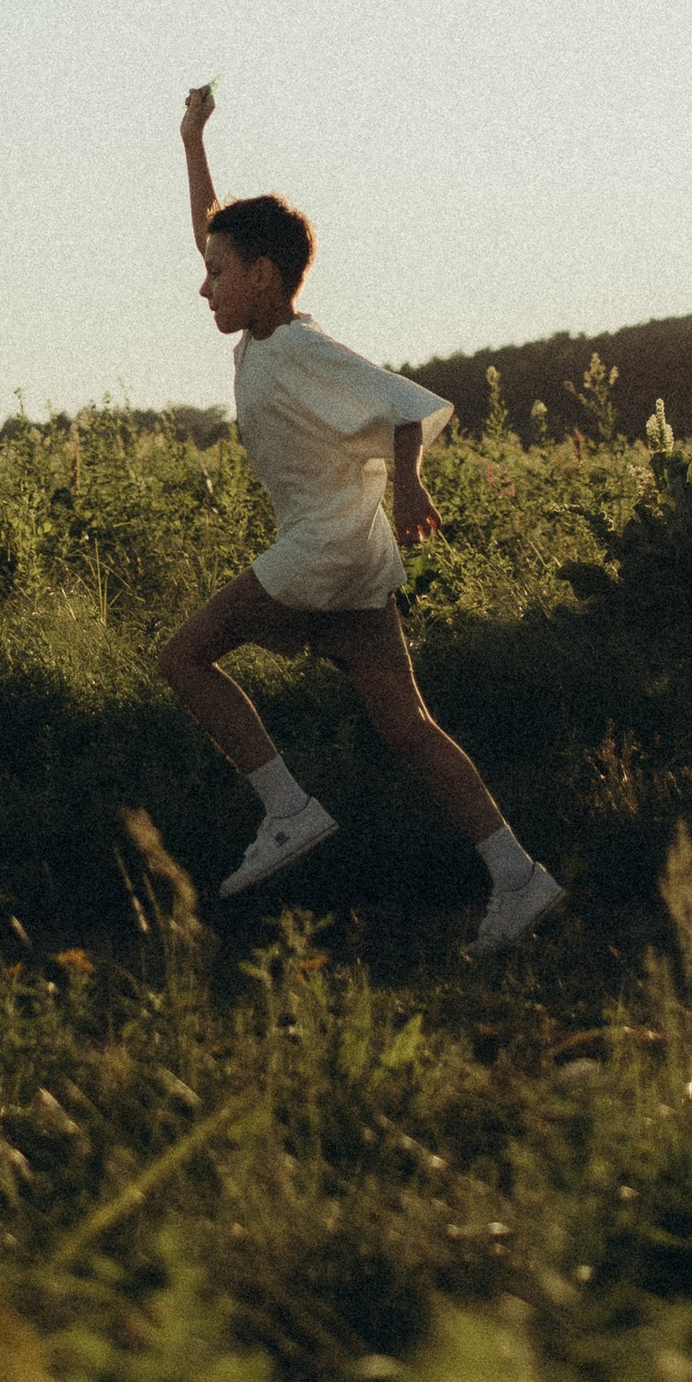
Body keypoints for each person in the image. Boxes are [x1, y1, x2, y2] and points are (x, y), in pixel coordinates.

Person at [155, 83, 566, 947]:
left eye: (219, 273)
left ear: (263, 277)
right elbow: (210, 225)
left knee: (186, 656)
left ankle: (287, 810)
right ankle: (516, 875)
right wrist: (192, 139)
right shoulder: (262, 339)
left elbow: (409, 407)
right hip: (356, 559)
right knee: (407, 725)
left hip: (323, 552)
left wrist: (413, 484)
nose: (203, 286)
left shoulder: (300, 347)